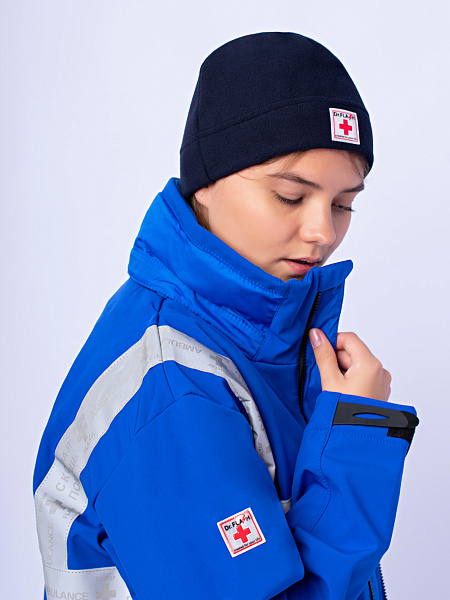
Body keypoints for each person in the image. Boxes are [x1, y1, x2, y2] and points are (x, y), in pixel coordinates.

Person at [33, 32, 418, 600]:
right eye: (291, 196)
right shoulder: (172, 388)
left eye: (343, 204)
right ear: (207, 183)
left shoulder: (251, 341)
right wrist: (356, 434)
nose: (323, 232)